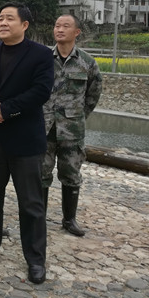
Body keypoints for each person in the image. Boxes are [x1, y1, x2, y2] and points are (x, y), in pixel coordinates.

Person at [0, 2, 53, 285]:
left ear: (24, 25)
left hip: (25, 139)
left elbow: (40, 92)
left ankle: (35, 259)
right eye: (1, 18)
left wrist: (5, 109)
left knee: (31, 202)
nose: (2, 23)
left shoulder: (41, 54)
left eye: (9, 19)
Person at [42, 15, 102, 237]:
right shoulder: (43, 59)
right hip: (44, 127)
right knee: (40, 173)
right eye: (57, 25)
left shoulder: (87, 62)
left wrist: (78, 116)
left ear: (77, 32)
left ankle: (69, 220)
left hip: (72, 130)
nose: (59, 29)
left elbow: (93, 94)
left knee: (71, 174)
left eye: (65, 26)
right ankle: (38, 218)